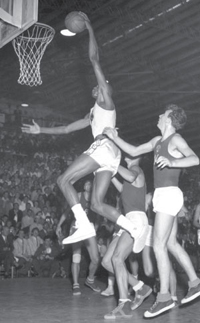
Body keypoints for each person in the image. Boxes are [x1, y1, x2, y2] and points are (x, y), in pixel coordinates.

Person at [21, 13, 147, 253]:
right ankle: (134, 228)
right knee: (97, 204)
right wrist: (41, 130)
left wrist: (89, 27)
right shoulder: (93, 114)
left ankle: (82, 224)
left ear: (104, 88)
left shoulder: (107, 101)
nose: (96, 86)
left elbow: (93, 58)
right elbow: (68, 128)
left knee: (63, 180)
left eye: (100, 85)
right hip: (111, 156)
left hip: (104, 147)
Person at [104, 104, 200, 318]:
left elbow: (195, 158)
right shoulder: (158, 142)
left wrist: (173, 160)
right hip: (162, 196)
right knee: (171, 243)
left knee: (158, 245)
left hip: (169, 194)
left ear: (169, 119)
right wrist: (113, 137)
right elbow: (134, 151)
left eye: (162, 114)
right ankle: (195, 283)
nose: (158, 115)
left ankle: (164, 297)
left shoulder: (175, 139)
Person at [102, 155, 151, 319]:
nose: (127, 154)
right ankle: (140, 287)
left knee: (117, 259)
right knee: (107, 261)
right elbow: (122, 188)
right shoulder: (130, 179)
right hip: (127, 221)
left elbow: (130, 176)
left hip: (136, 220)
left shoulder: (135, 169)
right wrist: (109, 171)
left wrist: (112, 163)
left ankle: (124, 304)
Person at [56, 180, 101, 295]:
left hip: (89, 228)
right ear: (84, 186)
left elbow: (98, 216)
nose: (88, 185)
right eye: (86, 183)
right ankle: (75, 284)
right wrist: (59, 225)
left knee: (95, 259)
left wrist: (95, 227)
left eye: (90, 183)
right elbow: (67, 211)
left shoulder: (96, 197)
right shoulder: (78, 195)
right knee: (76, 257)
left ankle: (90, 280)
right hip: (76, 226)